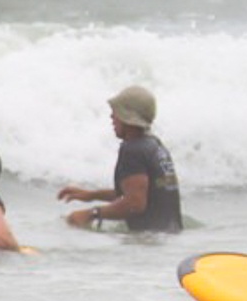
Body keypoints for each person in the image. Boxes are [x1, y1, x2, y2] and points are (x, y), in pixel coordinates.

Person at [58, 84, 183, 233]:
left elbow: (135, 203)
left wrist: (91, 214)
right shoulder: (155, 146)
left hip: (147, 240)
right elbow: (135, 192)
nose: (112, 117)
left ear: (127, 117)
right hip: (169, 237)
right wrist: (91, 195)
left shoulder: (133, 150)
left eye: (116, 112)